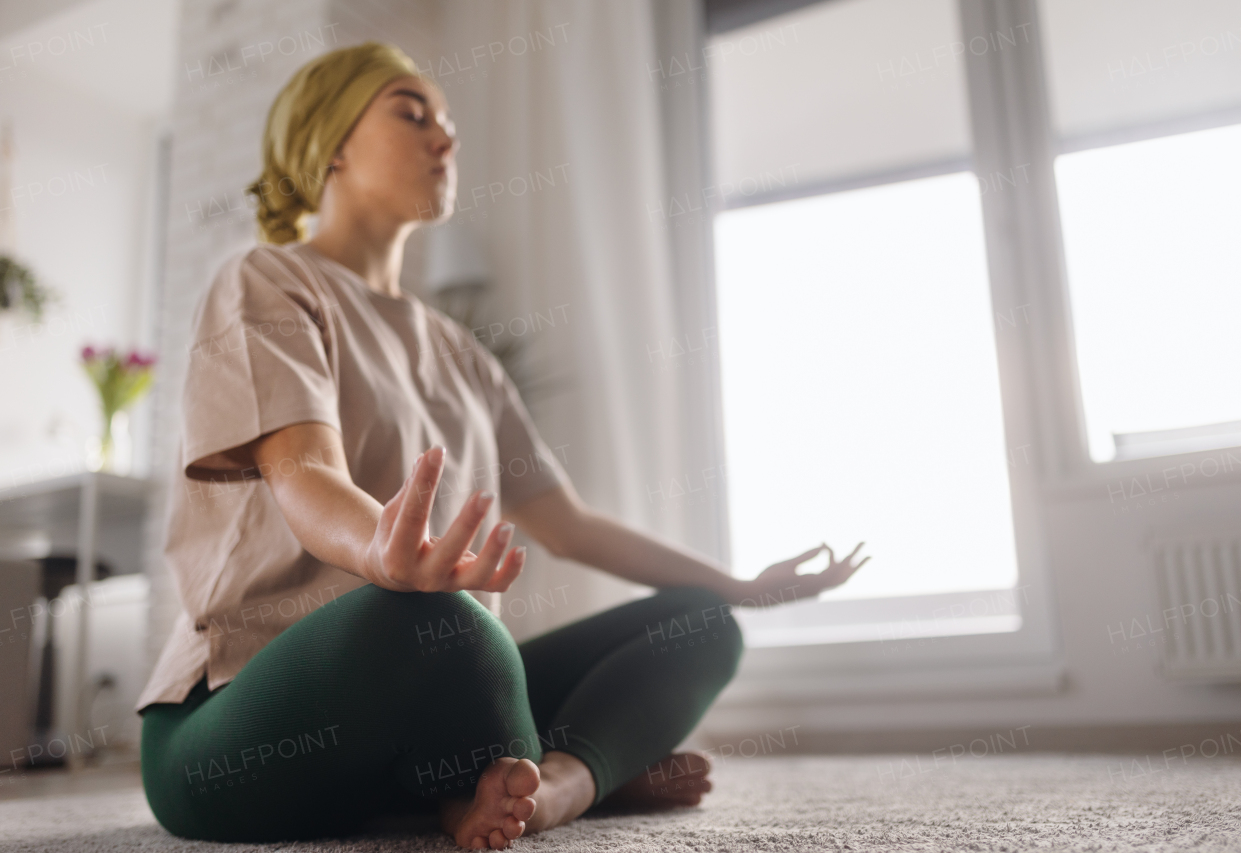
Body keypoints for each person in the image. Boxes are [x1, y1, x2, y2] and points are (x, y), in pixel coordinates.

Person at [135, 41, 870, 850]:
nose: (446, 139)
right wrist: (382, 551)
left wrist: (740, 585)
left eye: (449, 123)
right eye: (412, 114)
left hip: (433, 697)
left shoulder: (461, 352)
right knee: (430, 623)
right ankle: (555, 766)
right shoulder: (268, 280)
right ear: (330, 142)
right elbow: (303, 471)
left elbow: (570, 524)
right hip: (238, 722)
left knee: (702, 624)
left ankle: (556, 784)